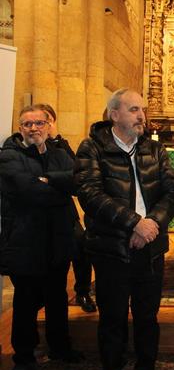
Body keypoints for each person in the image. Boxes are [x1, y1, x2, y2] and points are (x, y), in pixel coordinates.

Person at [75, 89, 174, 370]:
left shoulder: (154, 149)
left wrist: (151, 226)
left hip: (150, 249)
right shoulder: (92, 147)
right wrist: (135, 224)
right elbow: (90, 194)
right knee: (113, 318)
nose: (141, 116)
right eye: (134, 110)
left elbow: (172, 192)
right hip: (112, 249)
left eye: (143, 110)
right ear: (114, 115)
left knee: (148, 317)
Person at [0, 105, 84, 370]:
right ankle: (23, 359)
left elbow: (77, 181)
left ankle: (60, 348)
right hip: (25, 240)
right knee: (25, 302)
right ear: (20, 127)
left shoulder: (59, 153)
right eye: (27, 124)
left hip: (56, 240)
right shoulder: (9, 154)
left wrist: (49, 182)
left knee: (57, 297)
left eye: (39, 123)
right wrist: (57, 191)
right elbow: (24, 189)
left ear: (49, 125)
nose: (33, 128)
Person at [34, 103, 97, 313]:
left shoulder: (61, 145)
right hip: (38, 214)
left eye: (48, 122)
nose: (45, 127)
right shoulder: (28, 147)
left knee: (81, 247)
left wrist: (50, 179)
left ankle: (83, 291)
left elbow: (76, 176)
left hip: (64, 211)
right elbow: (31, 180)